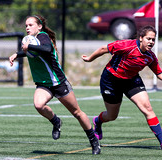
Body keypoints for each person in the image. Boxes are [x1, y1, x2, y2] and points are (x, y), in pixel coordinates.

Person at [9, 15, 100, 154]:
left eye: (31, 25)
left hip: (58, 82)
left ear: (39, 26)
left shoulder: (43, 36)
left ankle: (94, 141)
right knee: (38, 105)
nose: (27, 27)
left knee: (77, 112)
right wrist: (18, 54)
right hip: (43, 84)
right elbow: (32, 52)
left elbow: (46, 49)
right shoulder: (30, 40)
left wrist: (28, 47)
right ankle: (56, 121)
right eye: (26, 25)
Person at [82, 25, 162, 149]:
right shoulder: (127, 45)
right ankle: (97, 121)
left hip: (131, 80)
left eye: (153, 39)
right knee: (111, 116)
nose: (151, 42)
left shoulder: (150, 57)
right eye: (148, 38)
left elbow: (159, 74)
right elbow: (104, 48)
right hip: (111, 80)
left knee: (147, 108)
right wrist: (89, 59)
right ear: (141, 38)